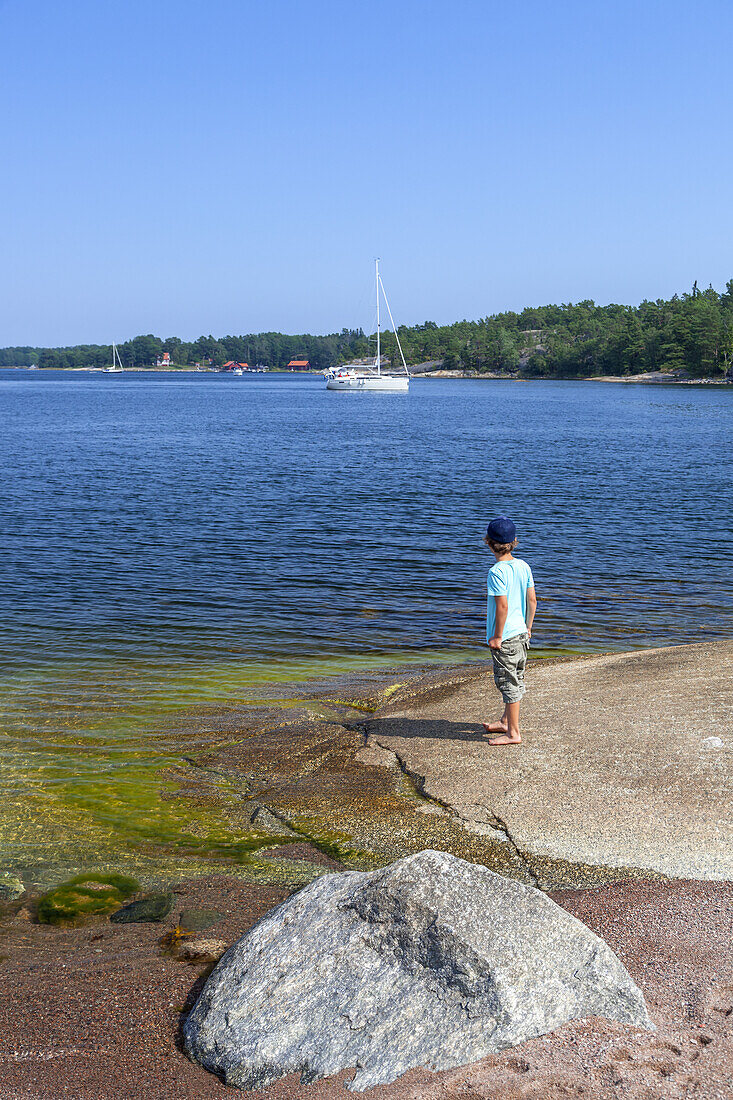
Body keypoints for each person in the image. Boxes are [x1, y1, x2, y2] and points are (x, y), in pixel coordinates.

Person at [482, 515, 537, 745]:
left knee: (509, 683)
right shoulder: (523, 566)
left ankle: (513, 733)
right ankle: (506, 721)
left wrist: (497, 636)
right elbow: (532, 600)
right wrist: (528, 627)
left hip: (506, 638)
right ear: (514, 541)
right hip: (521, 634)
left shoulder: (496, 572)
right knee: (515, 677)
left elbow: (502, 606)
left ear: (488, 542)